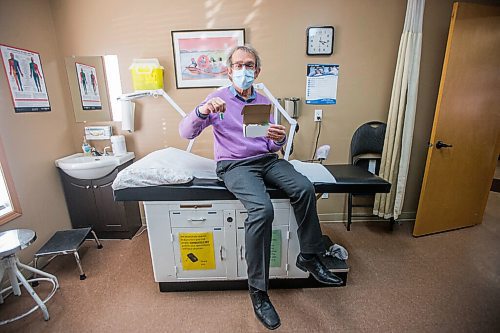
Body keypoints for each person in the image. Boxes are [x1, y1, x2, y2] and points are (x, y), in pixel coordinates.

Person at [179, 45, 342, 330]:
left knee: (304, 188)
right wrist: (202, 110)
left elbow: (268, 144)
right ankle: (258, 291)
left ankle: (309, 256)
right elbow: (186, 132)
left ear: (257, 70)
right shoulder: (217, 100)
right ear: (229, 70)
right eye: (239, 65)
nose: (244, 70)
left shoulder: (264, 102)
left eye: (250, 65)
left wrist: (278, 140)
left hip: (267, 160)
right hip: (234, 165)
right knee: (262, 210)